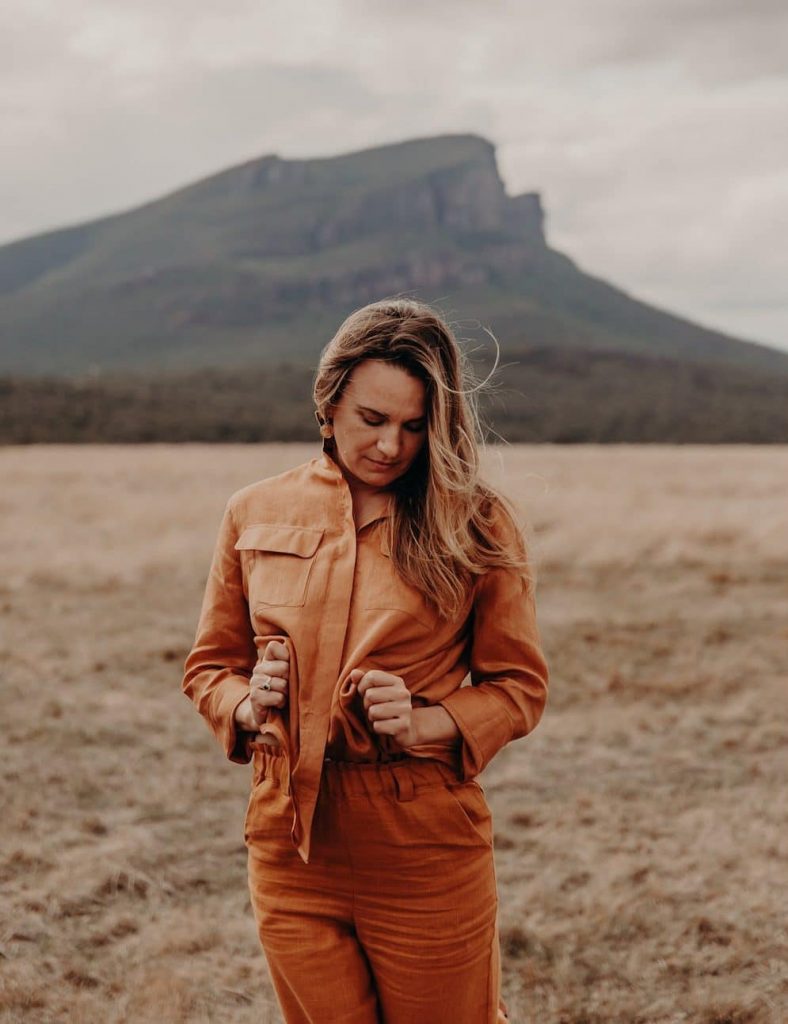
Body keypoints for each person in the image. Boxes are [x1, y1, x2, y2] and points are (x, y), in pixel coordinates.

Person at [182, 297, 549, 1024]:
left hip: (421, 842)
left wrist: (425, 722)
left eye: (415, 426)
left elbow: (519, 688)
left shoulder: (474, 520)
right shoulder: (252, 511)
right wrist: (250, 704)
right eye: (371, 420)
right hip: (289, 839)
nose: (391, 446)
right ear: (329, 402)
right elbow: (208, 670)